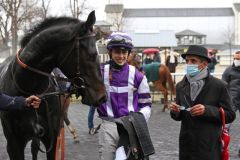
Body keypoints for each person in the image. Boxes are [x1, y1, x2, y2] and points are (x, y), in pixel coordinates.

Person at [169, 45, 236, 160]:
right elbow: (178, 116)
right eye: (187, 61)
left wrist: (207, 110)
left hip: (208, 147)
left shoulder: (218, 86)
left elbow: (230, 115)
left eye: (193, 61)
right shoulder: (180, 86)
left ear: (204, 64)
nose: (189, 64)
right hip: (186, 147)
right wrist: (175, 111)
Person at [97, 32, 152, 160]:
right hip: (108, 126)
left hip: (130, 127)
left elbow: (146, 105)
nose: (121, 56)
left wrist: (137, 120)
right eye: (117, 52)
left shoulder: (138, 76)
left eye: (124, 52)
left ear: (128, 53)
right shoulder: (99, 72)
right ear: (110, 52)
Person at [52, 68, 79, 142]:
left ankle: (62, 134)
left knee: (63, 114)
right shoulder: (55, 67)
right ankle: (72, 132)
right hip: (58, 91)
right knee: (62, 114)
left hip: (64, 91)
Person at [222, 50, 240, 157]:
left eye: (239, 59)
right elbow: (223, 85)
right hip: (231, 102)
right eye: (236, 58)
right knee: (226, 126)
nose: (237, 60)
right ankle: (222, 147)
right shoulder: (228, 70)